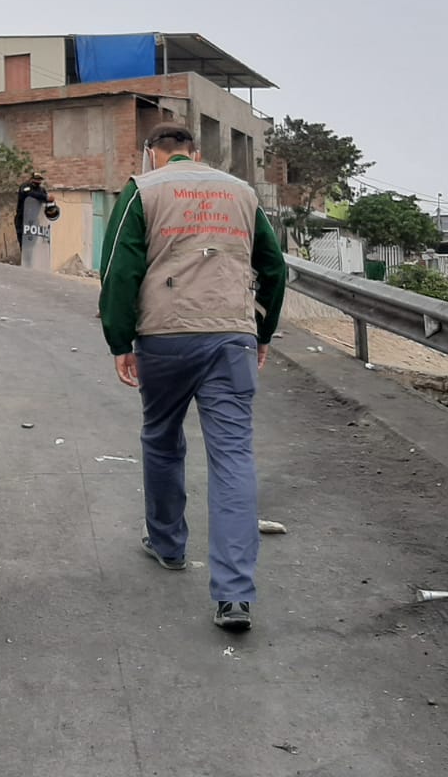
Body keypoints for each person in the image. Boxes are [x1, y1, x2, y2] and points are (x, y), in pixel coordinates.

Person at [97, 122, 287, 634]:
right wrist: (262, 330)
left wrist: (120, 339)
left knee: (162, 437)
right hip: (232, 335)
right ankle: (235, 596)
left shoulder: (144, 189)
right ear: (195, 153)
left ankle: (168, 544)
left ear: (153, 154)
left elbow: (118, 268)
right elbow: (274, 267)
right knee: (232, 455)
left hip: (165, 336)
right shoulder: (241, 193)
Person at [15, 170, 60, 244]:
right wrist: (45, 197)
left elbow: (46, 200)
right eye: (36, 179)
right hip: (22, 219)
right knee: (23, 243)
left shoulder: (41, 190)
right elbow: (30, 193)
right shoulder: (25, 187)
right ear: (31, 179)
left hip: (34, 220)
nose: (37, 181)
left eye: (39, 180)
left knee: (33, 243)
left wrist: (50, 202)